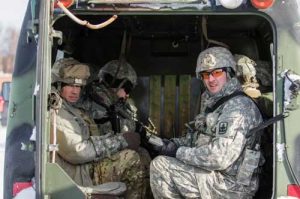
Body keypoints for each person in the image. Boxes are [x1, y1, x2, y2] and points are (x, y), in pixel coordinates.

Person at [149, 47, 264, 198]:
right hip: (216, 177)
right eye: (205, 74)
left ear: (228, 73)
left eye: (217, 72)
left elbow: (220, 158)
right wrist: (173, 144)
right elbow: (199, 139)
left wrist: (177, 152)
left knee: (161, 166)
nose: (211, 79)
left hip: (231, 187)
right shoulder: (214, 103)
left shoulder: (238, 107)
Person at [50, 57, 146, 199]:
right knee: (131, 159)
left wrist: (120, 139)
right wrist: (120, 141)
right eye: (70, 85)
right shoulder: (58, 113)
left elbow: (91, 138)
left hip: (85, 166)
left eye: (78, 86)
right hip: (78, 174)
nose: (75, 91)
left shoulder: (70, 109)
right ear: (58, 85)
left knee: (140, 155)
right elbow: (79, 152)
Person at [78, 59, 152, 198]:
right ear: (116, 83)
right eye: (127, 89)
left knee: (144, 154)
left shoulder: (111, 101)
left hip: (103, 154)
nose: (128, 94)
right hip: (91, 161)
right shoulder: (94, 101)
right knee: (133, 158)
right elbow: (107, 130)